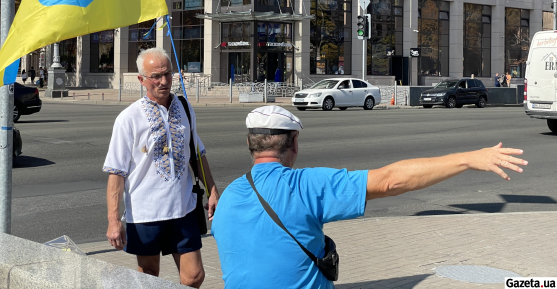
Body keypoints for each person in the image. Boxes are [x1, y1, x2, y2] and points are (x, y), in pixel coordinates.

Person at [211, 106, 527, 289]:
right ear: (293, 142)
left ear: (251, 144)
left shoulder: (228, 198)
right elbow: (390, 181)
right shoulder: (305, 185)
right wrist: (469, 159)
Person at [103, 48, 220, 288]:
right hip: (146, 212)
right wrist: (113, 220)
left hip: (183, 208)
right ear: (141, 80)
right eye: (156, 76)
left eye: (167, 73)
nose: (164, 81)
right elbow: (117, 171)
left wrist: (213, 190)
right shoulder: (128, 118)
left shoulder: (185, 108)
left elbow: (196, 154)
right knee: (148, 274)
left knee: (194, 276)